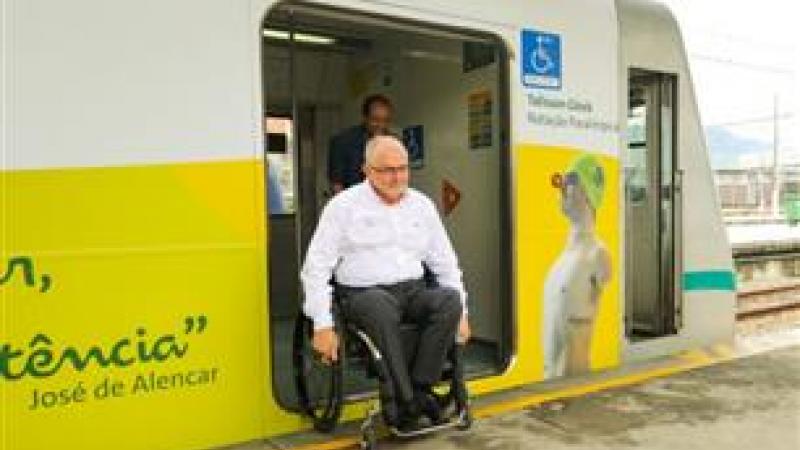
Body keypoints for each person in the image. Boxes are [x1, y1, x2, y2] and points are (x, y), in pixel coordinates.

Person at [302, 135, 471, 428]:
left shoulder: (422, 205)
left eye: (403, 168)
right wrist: (322, 324)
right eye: (387, 170)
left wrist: (463, 314)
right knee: (378, 306)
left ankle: (418, 391)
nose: (397, 177)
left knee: (449, 301)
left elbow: (445, 262)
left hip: (412, 291)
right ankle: (403, 401)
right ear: (366, 170)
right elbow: (315, 268)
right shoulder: (343, 207)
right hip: (363, 295)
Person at [327, 94, 394, 194]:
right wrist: (346, 208)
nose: (381, 125)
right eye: (375, 120)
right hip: (354, 203)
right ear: (365, 117)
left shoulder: (394, 142)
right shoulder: (343, 142)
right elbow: (336, 183)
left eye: (385, 120)